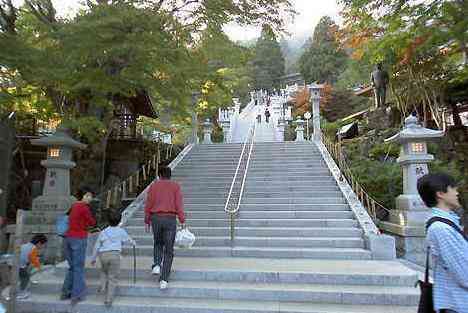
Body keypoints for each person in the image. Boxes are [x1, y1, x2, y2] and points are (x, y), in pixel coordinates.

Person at [417, 173, 468, 313]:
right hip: (457, 305)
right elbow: (464, 274)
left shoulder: (450, 223)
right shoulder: (441, 229)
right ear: (440, 194)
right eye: (453, 188)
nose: (457, 192)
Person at [144, 166, 185, 290]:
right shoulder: (175, 186)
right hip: (170, 219)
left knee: (158, 243)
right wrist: (182, 219)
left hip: (156, 218)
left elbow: (148, 203)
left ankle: (156, 264)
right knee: (169, 250)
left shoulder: (153, 186)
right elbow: (179, 204)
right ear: (170, 175)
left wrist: (147, 220)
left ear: (160, 175)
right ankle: (164, 279)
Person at [91, 211, 135, 307]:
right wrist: (133, 242)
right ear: (119, 221)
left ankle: (102, 286)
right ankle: (108, 299)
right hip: (115, 255)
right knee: (112, 277)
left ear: (108, 221)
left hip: (103, 255)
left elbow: (96, 245)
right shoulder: (121, 231)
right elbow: (128, 240)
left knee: (103, 270)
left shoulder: (103, 232)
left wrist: (93, 258)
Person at [61, 186, 96, 305]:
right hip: (79, 238)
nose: (90, 198)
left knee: (72, 267)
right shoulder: (84, 208)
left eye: (91, 196)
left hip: (67, 239)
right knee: (79, 268)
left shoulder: (74, 205)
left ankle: (65, 292)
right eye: (89, 196)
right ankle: (77, 295)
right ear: (84, 196)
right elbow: (92, 222)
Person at [17, 234, 48, 299]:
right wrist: (39, 267)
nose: (42, 247)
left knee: (25, 274)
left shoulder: (25, 245)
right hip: (20, 266)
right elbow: (33, 259)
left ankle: (24, 284)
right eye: (43, 245)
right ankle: (21, 293)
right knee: (25, 278)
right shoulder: (34, 248)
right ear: (39, 243)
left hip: (16, 264)